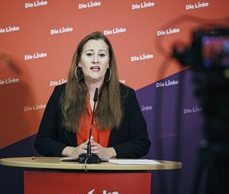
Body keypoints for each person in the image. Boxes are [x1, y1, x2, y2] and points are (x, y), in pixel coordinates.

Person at [34, 31, 150, 161]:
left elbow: (142, 143)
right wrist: (71, 151)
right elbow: (42, 141)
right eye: (89, 54)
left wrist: (110, 152)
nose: (96, 60)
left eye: (101, 55)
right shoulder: (61, 94)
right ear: (79, 61)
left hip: (113, 178)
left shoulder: (126, 96)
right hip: (70, 176)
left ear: (108, 62)